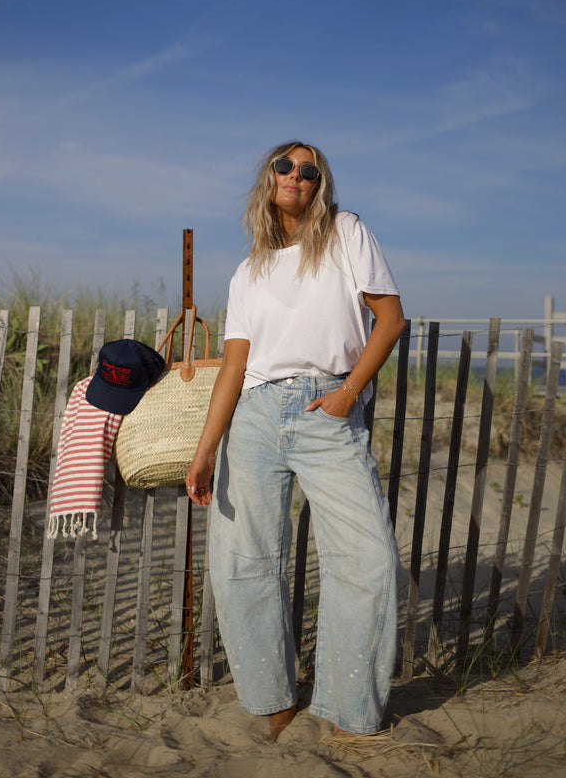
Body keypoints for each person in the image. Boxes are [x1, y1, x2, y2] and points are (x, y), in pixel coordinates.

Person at [185, 141, 405, 739]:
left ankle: (347, 709)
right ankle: (273, 701)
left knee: (367, 558)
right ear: (269, 177)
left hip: (324, 408)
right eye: (286, 165)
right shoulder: (247, 271)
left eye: (310, 171)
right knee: (243, 562)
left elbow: (391, 318)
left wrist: (349, 391)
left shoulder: (345, 232)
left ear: (319, 185)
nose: (297, 176)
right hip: (253, 416)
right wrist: (206, 451)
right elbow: (233, 366)